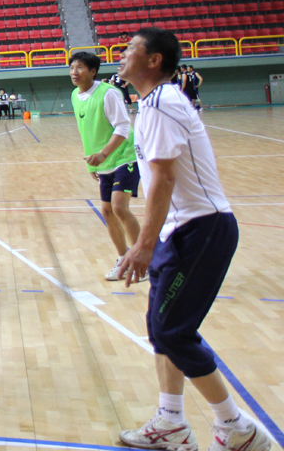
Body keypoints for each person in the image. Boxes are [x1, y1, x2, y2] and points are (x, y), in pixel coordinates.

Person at [115, 28, 269, 451]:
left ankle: (236, 427)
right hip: (181, 230)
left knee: (173, 332)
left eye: (130, 48)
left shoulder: (162, 103)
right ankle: (170, 422)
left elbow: (164, 179)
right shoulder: (152, 103)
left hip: (202, 229)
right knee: (161, 328)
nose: (122, 54)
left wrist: (143, 244)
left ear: (154, 60)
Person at [69, 51, 141, 281]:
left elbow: (123, 127)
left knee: (119, 208)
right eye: (72, 68)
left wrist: (103, 154)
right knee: (108, 211)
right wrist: (93, 165)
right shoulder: (75, 95)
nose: (74, 72)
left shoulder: (108, 93)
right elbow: (86, 132)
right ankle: (123, 258)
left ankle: (142, 261)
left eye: (80, 67)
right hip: (103, 162)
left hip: (123, 157)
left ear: (93, 71)